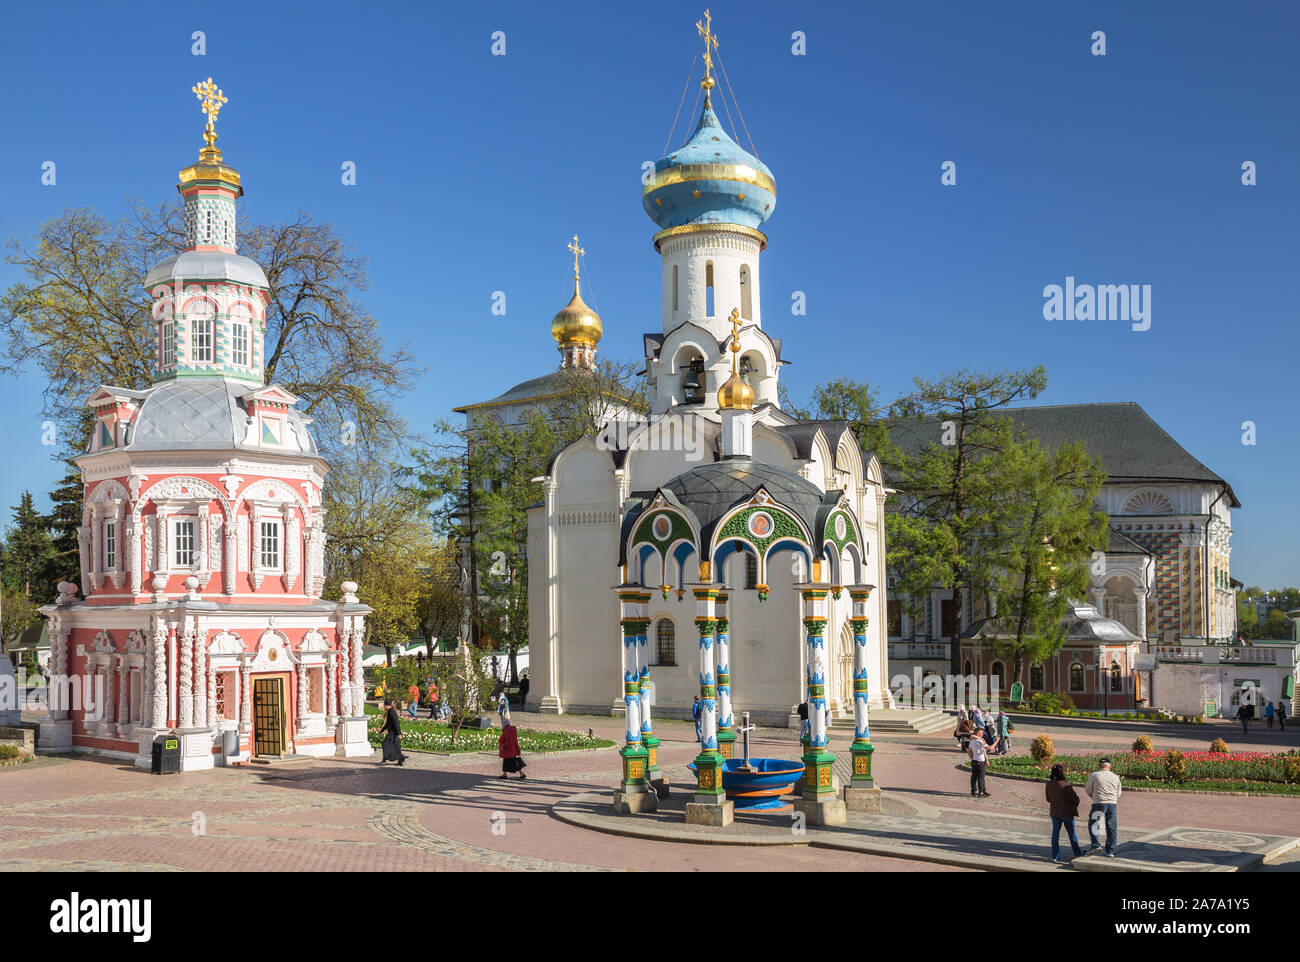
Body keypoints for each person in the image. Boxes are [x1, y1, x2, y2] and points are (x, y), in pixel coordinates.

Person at [1084, 758, 1122, 856]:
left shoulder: (1095, 775)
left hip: (1099, 803)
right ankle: (1111, 850)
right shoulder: (1115, 777)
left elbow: (1087, 788)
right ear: (1110, 766)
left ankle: (1096, 845)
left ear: (1100, 766)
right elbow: (1119, 793)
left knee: (1094, 824)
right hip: (1112, 804)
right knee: (1111, 826)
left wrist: (1093, 796)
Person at [1045, 763, 1083, 862]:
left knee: (1055, 834)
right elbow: (1076, 799)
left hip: (1055, 812)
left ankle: (1055, 856)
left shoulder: (1048, 784)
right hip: (1067, 813)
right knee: (1071, 833)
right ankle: (1077, 852)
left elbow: (1048, 799)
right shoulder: (1066, 785)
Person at [967, 726, 995, 797]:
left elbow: (969, 751)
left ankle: (974, 791)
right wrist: (997, 741)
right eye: (981, 733)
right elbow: (991, 748)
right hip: (980, 761)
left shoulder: (972, 741)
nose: (982, 734)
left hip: (974, 761)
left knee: (974, 777)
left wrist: (972, 758)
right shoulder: (981, 741)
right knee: (981, 777)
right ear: (978, 733)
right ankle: (981, 792)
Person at [377, 700, 407, 766]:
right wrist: (381, 730)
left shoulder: (391, 713)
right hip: (392, 733)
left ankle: (384, 760)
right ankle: (400, 760)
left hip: (393, 733)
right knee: (395, 747)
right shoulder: (390, 711)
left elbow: (396, 723)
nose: (384, 706)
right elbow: (388, 724)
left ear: (387, 706)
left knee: (385, 745)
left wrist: (399, 734)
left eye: (384, 705)